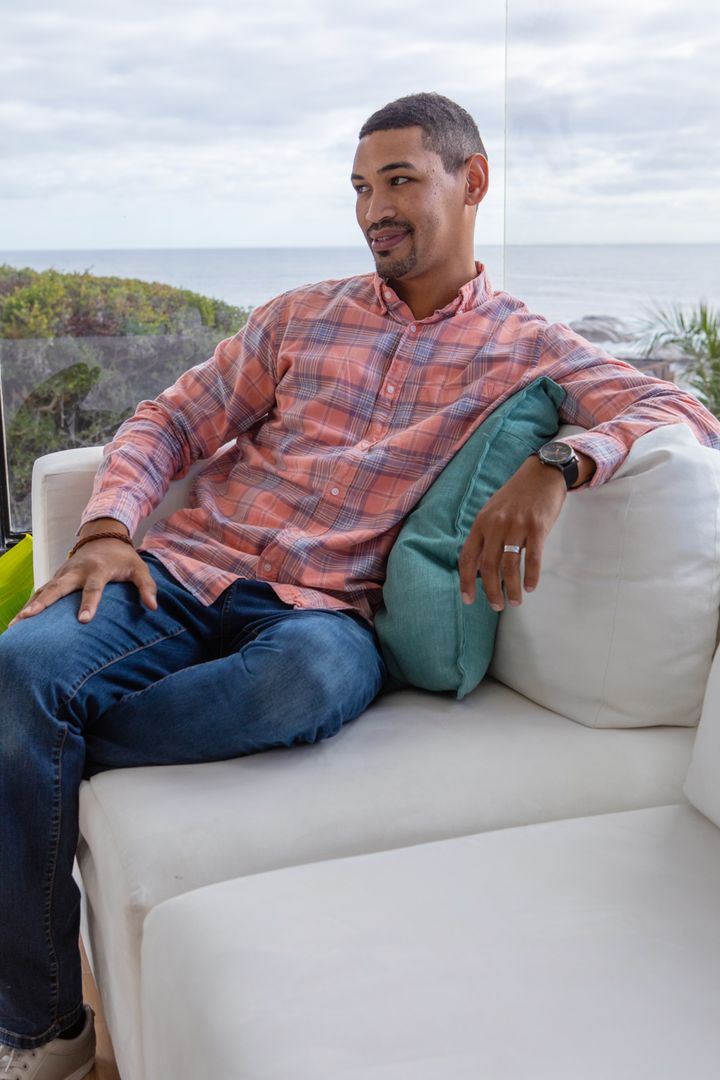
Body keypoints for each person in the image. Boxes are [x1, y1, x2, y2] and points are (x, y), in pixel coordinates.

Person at [1, 91, 719, 1080]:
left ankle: (47, 749)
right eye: (359, 188)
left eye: (399, 180)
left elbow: (681, 409)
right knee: (19, 668)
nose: (374, 208)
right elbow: (168, 419)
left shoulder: (526, 346)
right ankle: (45, 1024)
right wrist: (112, 525)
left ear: (472, 182)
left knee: (294, 688)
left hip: (327, 613)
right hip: (183, 568)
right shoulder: (299, 317)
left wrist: (558, 466)